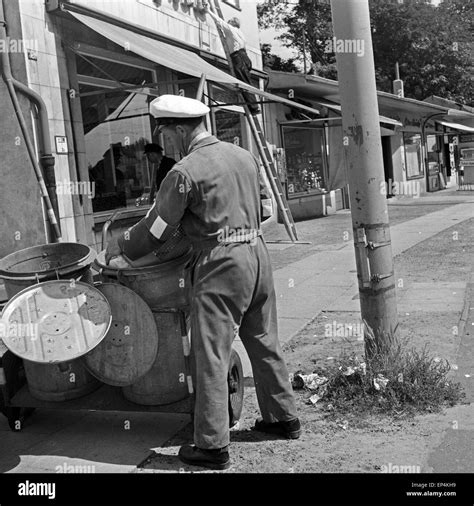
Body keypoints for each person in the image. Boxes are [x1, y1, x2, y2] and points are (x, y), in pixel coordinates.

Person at [105, 94, 299, 470]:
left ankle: (211, 446)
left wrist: (123, 247)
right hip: (256, 255)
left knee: (210, 353)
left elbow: (159, 227)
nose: (166, 141)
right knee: (264, 340)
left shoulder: (184, 171)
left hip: (220, 263)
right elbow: (264, 209)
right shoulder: (243, 155)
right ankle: (283, 419)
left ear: (179, 129)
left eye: (166, 132)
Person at [204, 3, 260, 115]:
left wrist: (208, 10)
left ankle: (254, 108)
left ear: (232, 23)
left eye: (229, 21)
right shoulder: (241, 33)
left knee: (243, 83)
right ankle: (253, 107)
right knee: (246, 82)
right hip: (245, 57)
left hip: (238, 57)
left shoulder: (231, 29)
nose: (228, 23)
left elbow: (219, 21)